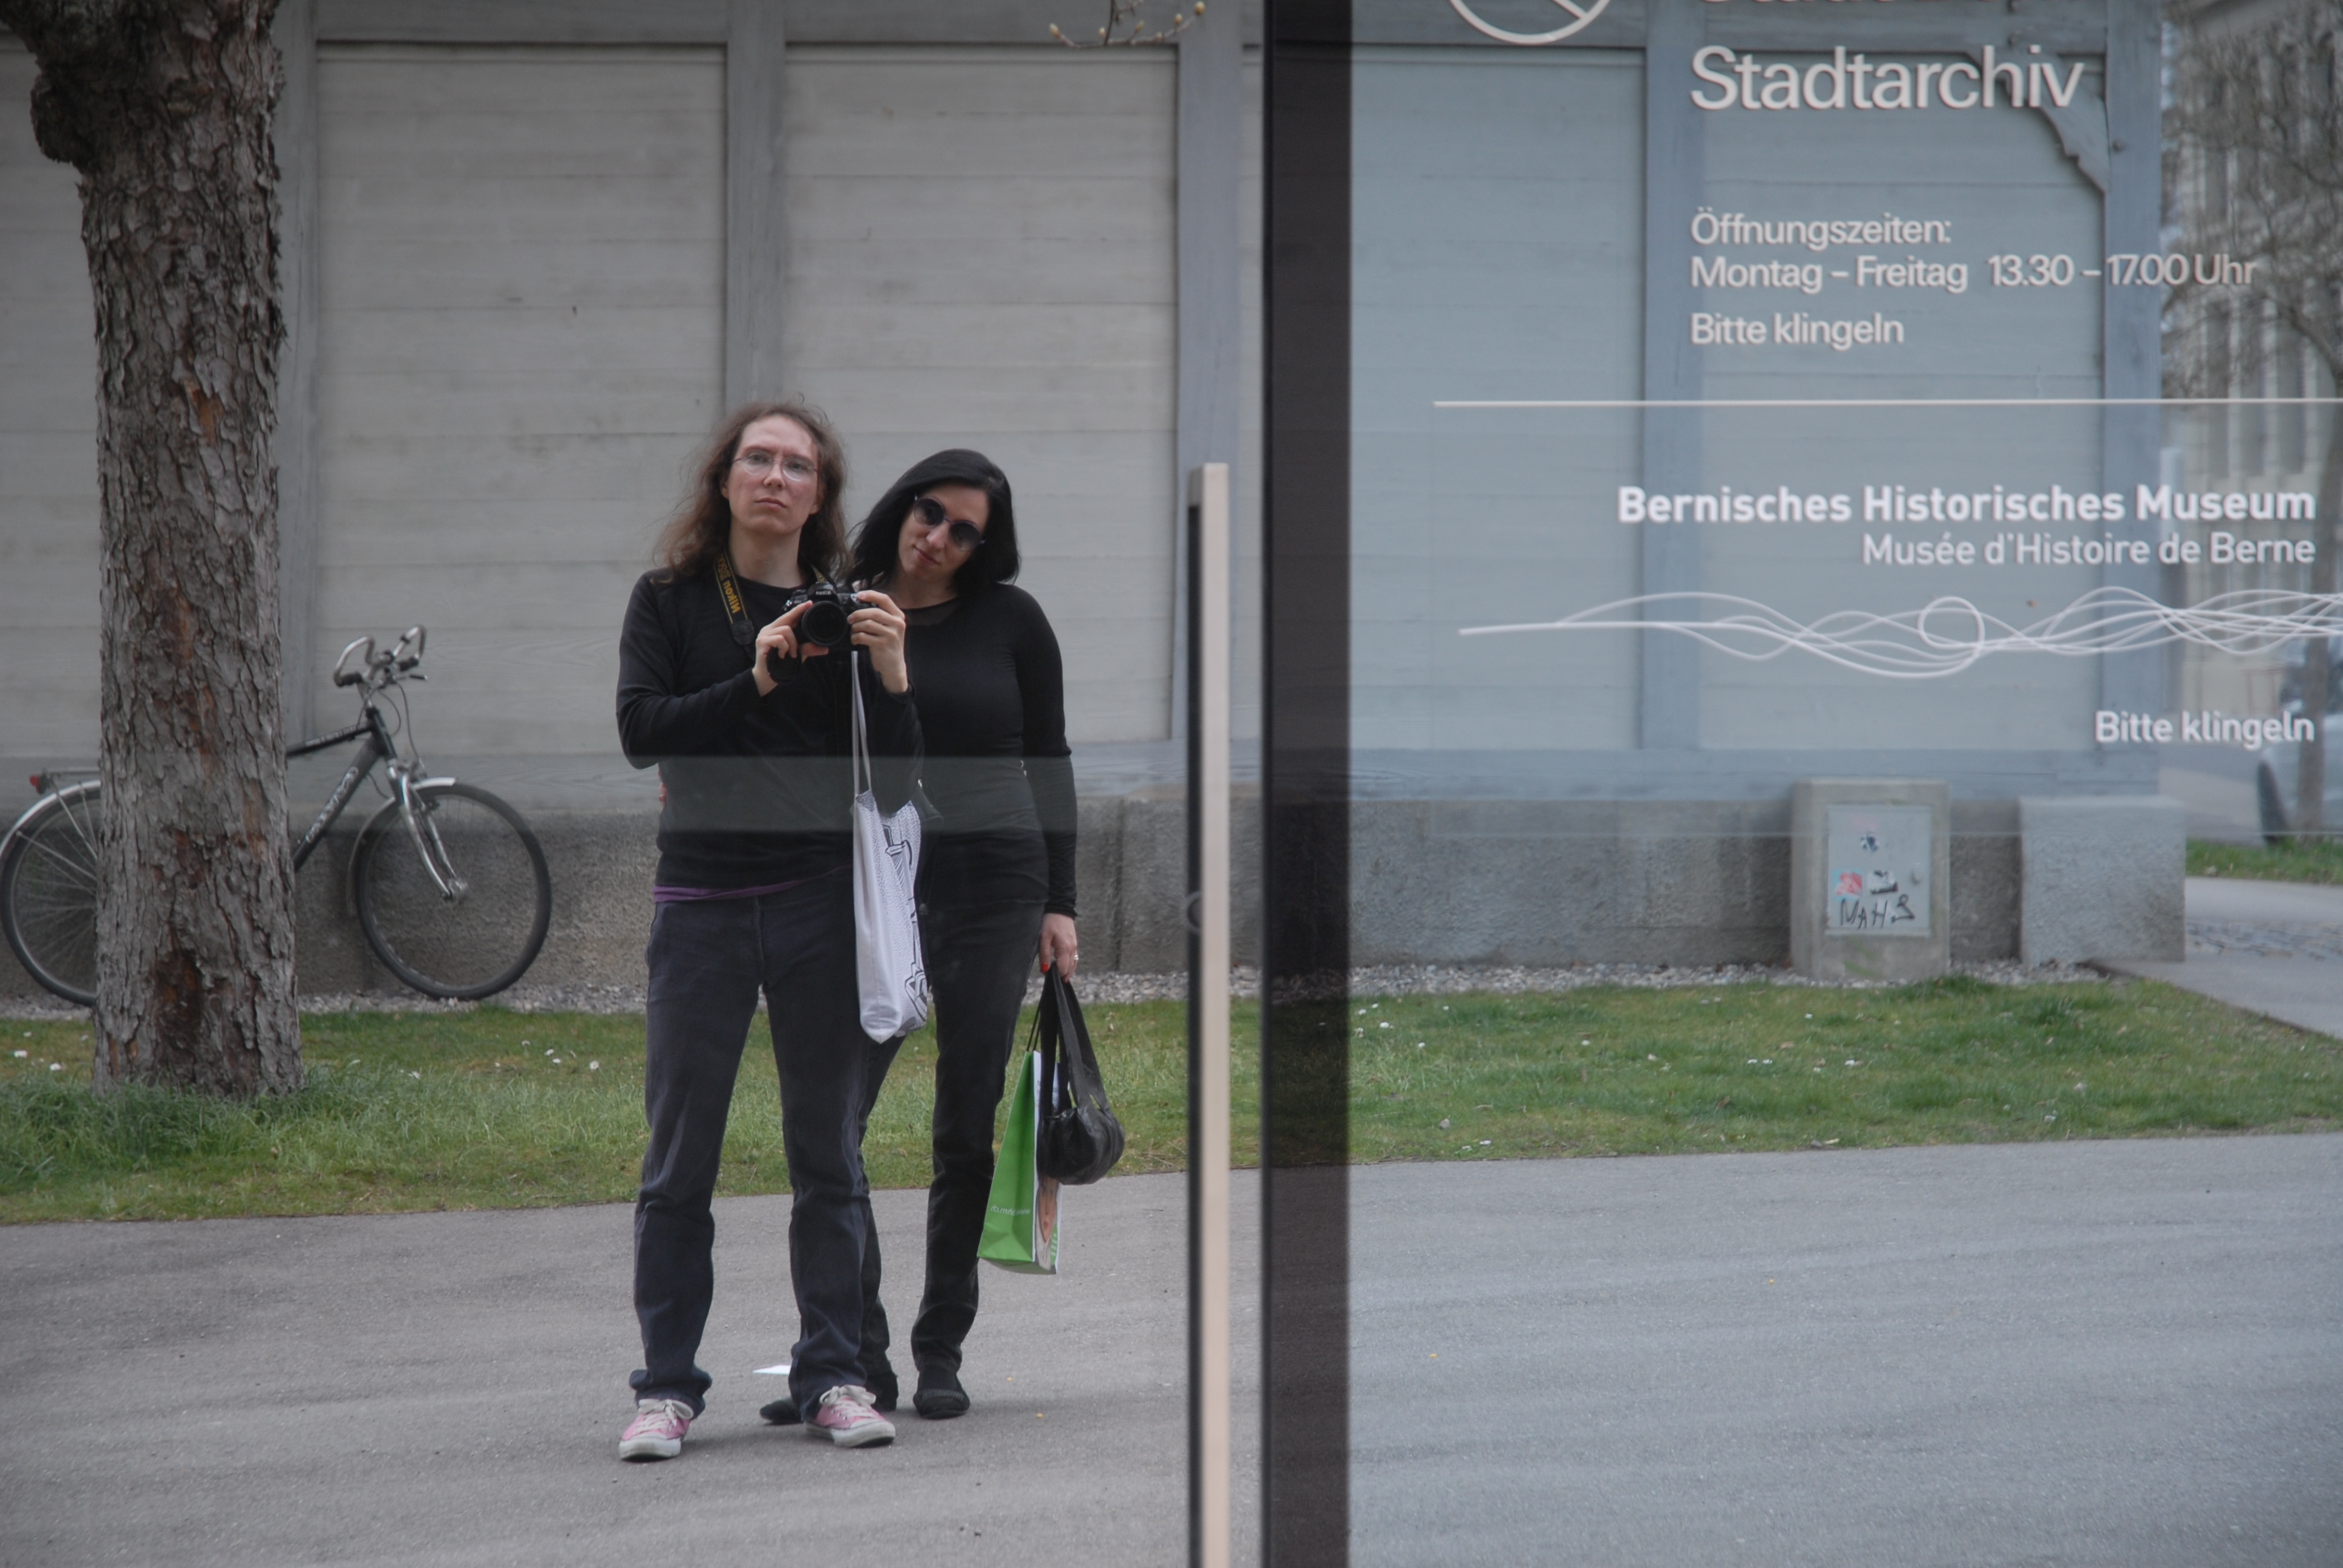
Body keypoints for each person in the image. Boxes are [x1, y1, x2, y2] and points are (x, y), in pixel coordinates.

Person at [613, 399, 920, 1458]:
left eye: (797, 465)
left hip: (816, 904)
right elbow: (641, 732)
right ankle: (666, 1390)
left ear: (820, 493)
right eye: (758, 459)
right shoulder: (669, 601)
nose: (776, 477)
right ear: (725, 478)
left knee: (828, 1154)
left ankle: (834, 1375)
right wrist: (753, 675)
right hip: (700, 904)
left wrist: (891, 672)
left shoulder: (849, 612)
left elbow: (898, 783)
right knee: (678, 1160)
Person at [858, 449, 1081, 1420]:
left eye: (965, 531)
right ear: (902, 507)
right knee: (835, 1123)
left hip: (996, 883)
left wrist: (1061, 902)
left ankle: (939, 1347)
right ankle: (849, 1355)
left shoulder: (1012, 620)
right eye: (930, 512)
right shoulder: (847, 606)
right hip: (877, 884)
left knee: (964, 1122)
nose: (939, 537)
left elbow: (1051, 757)